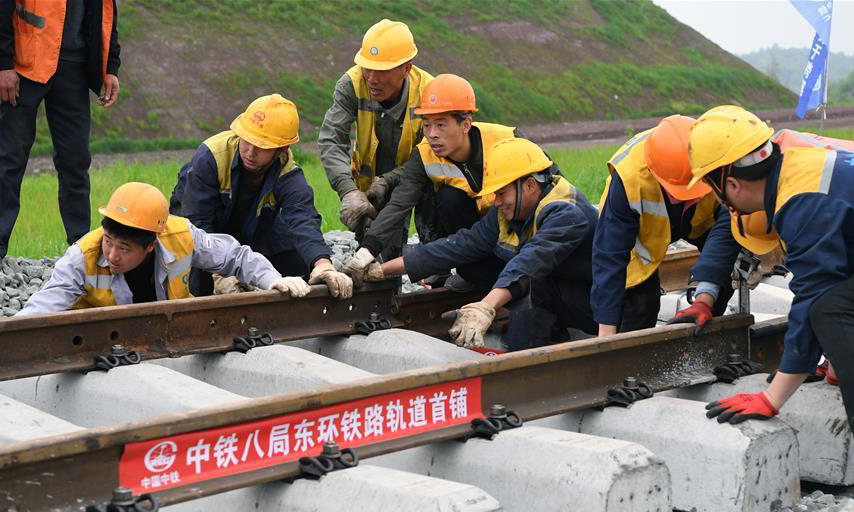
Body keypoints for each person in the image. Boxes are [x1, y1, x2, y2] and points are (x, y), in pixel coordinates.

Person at [672, 105, 854, 427]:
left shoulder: (800, 201)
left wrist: (772, 398)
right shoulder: (800, 168)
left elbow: (816, 300)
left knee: (826, 308)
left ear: (731, 185)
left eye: (714, 192)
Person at [359, 138, 598, 351]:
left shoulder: (567, 213)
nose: (496, 202)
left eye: (501, 193)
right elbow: (461, 244)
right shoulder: (513, 211)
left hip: (595, 302)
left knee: (530, 293)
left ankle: (536, 355)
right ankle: (543, 340)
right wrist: (384, 269)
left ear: (529, 185)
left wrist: (486, 307)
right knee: (523, 292)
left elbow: (530, 263)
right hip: (563, 289)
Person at [341, 74, 525, 291]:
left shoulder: (507, 140)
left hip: (519, 233)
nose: (432, 135)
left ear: (465, 124)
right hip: (476, 240)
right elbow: (398, 206)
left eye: (441, 125)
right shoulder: (424, 156)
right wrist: (364, 255)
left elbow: (546, 188)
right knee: (448, 197)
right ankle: (478, 276)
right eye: (426, 125)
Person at [18, 182, 315, 315]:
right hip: (104, 345)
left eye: (124, 248)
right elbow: (42, 308)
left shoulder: (180, 235)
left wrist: (273, 279)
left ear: (150, 246)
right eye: (108, 241)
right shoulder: (82, 256)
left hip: (171, 332)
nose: (111, 255)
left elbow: (235, 257)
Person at [170, 94, 351, 299]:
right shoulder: (210, 157)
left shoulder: (288, 173)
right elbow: (198, 221)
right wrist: (219, 274)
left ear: (281, 149)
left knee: (298, 263)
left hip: (252, 223)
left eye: (262, 146)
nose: (250, 151)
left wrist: (323, 265)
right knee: (197, 277)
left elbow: (303, 219)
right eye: (246, 140)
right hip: (200, 219)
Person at [592, 115, 738, 336]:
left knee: (724, 267)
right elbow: (609, 258)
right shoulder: (629, 181)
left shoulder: (712, 160)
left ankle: (702, 337)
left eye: (693, 190)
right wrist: (606, 338)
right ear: (656, 175)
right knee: (641, 302)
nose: (690, 198)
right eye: (680, 192)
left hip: (703, 222)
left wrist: (705, 296)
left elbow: (729, 223)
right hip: (644, 232)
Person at [0, 0, 121, 258]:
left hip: (74, 68)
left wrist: (111, 67)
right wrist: (2, 63)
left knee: (75, 162)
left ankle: (81, 251)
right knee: (9, 159)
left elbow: (107, 14)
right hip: (25, 63)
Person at [318, 19, 433, 260]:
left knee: (435, 233)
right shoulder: (351, 84)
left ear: (407, 68)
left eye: (381, 70)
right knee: (376, 255)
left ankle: (437, 277)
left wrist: (390, 180)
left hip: (417, 177)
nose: (371, 78)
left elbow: (431, 155)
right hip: (369, 186)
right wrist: (348, 191)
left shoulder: (429, 92)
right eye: (366, 68)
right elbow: (332, 140)